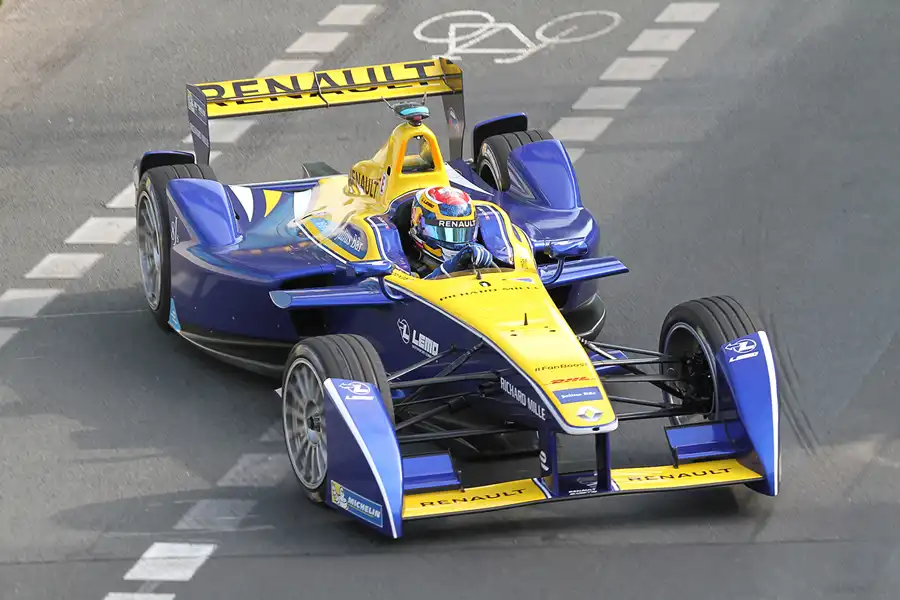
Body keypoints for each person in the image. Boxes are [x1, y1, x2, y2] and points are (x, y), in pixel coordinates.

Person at [408, 186, 496, 279]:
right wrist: (453, 265)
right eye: (444, 232)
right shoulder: (402, 261)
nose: (456, 244)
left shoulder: (474, 253)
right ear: (418, 223)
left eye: (463, 233)